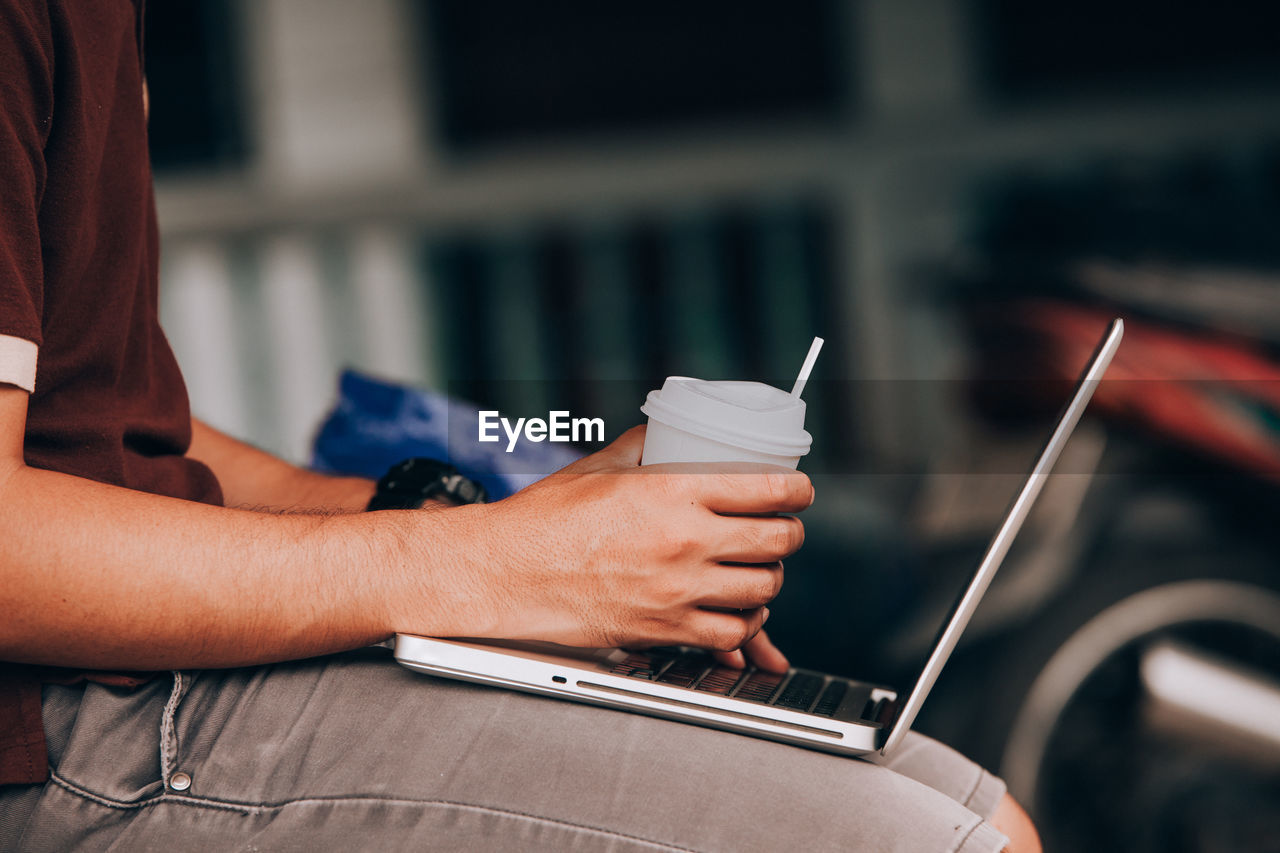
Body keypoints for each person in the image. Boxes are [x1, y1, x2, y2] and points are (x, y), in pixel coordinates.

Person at [0, 2, 1039, 850]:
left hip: (153, 665)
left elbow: (121, 434)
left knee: (985, 815)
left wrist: (512, 529)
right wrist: (485, 566)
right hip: (58, 729)